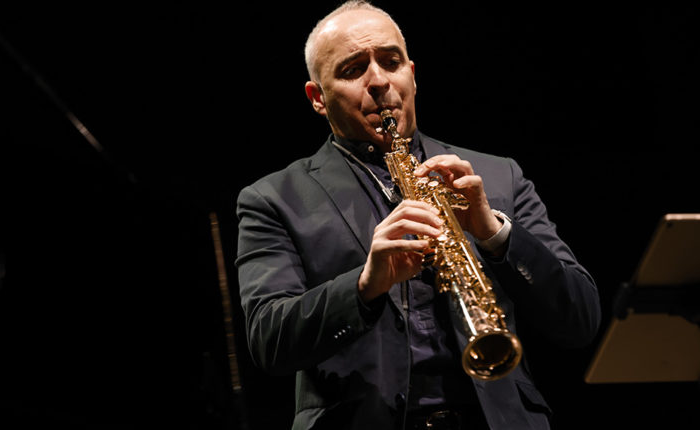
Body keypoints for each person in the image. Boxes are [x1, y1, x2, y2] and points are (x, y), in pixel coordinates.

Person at [235, 1, 601, 429]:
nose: (379, 81)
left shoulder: (498, 175)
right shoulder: (273, 199)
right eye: (353, 70)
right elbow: (268, 341)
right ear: (318, 98)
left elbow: (581, 318)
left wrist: (495, 233)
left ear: (412, 73)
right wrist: (364, 287)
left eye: (391, 62)